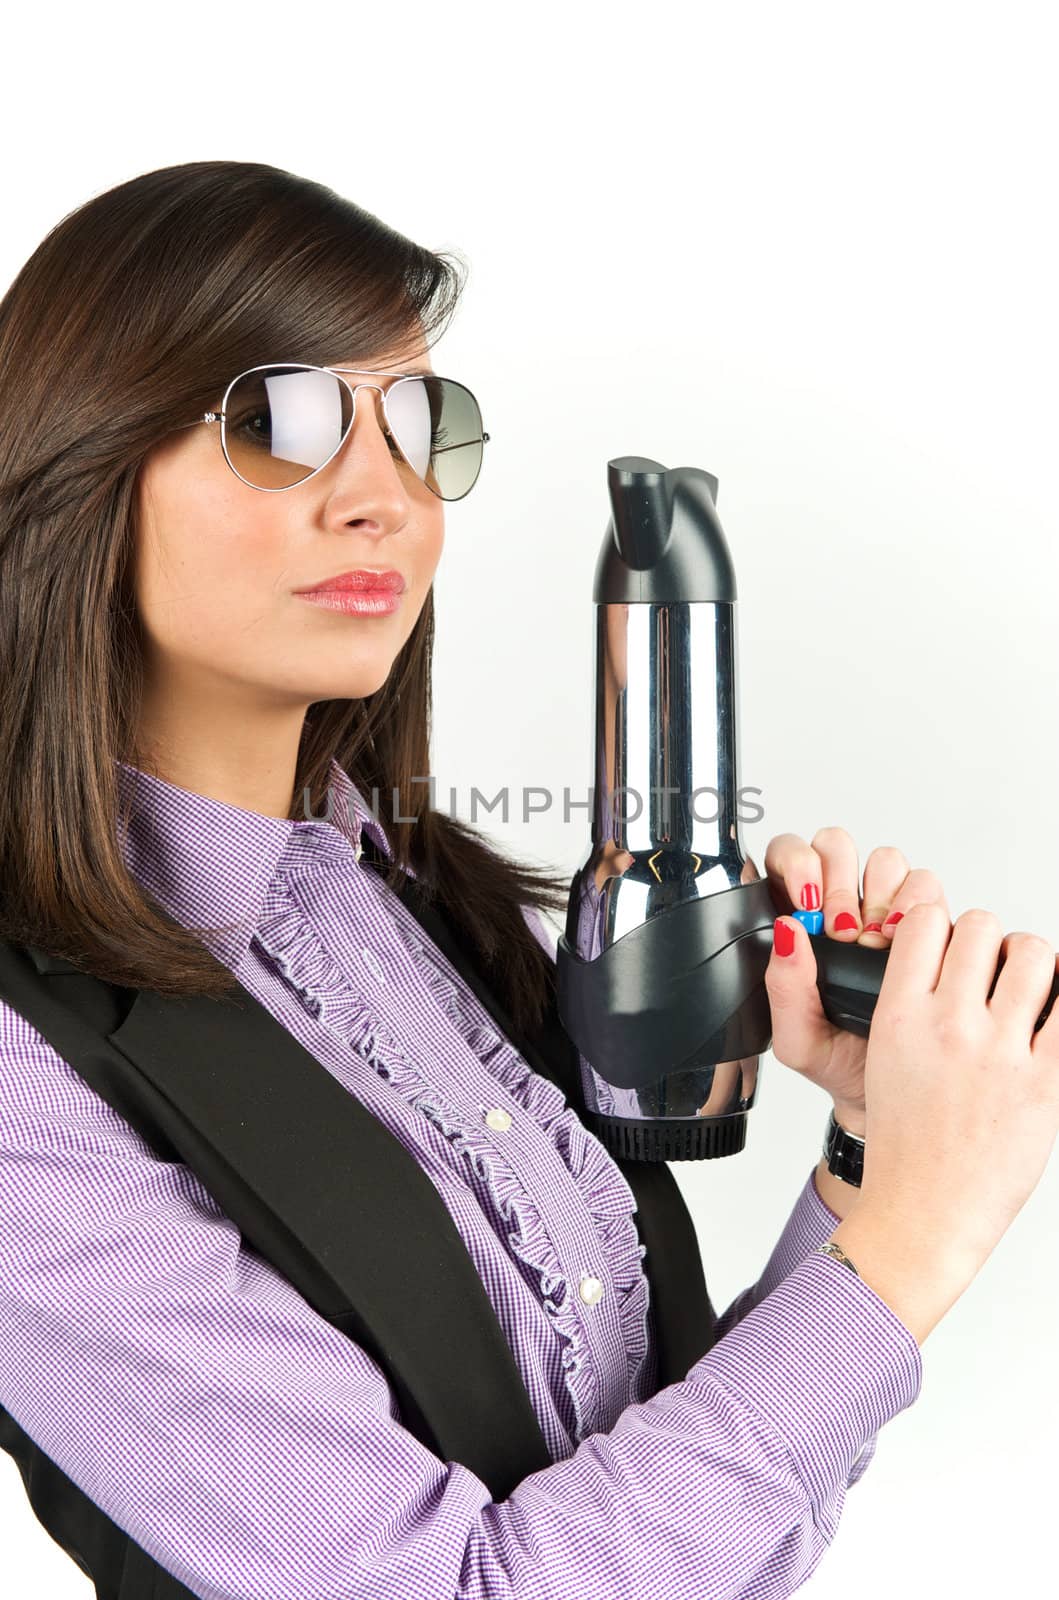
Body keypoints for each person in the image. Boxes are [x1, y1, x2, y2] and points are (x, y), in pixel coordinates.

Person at [0, 159, 1055, 1600]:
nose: (383, 497)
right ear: (78, 459)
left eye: (417, 423)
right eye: (285, 419)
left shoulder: (413, 905)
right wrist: (918, 1246)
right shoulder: (22, 1079)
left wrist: (875, 1159)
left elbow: (695, 1527)